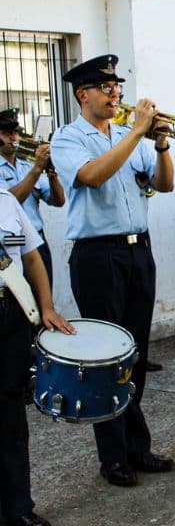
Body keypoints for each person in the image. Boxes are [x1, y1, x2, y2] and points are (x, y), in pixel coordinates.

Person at [51, 54, 175, 487]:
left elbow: (164, 185)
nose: (115, 93)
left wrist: (159, 146)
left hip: (137, 251)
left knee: (136, 351)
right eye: (106, 88)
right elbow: (94, 176)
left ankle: (137, 447)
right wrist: (139, 132)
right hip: (96, 256)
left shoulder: (128, 134)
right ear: (82, 94)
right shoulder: (69, 138)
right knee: (108, 355)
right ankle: (113, 456)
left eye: (117, 86)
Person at [0, 189, 72, 526]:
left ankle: (19, 507)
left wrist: (46, 306)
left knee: (11, 413)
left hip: (9, 312)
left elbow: (31, 257)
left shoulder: (6, 200)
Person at [0, 108, 65, 288]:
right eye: (7, 134)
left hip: (37, 242)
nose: (14, 138)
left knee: (43, 301)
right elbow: (7, 203)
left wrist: (52, 174)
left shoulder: (25, 165)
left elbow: (58, 202)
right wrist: (37, 169)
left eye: (15, 133)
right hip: (8, 247)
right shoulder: (32, 168)